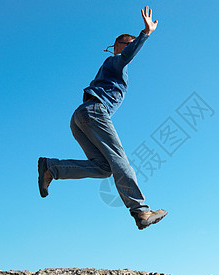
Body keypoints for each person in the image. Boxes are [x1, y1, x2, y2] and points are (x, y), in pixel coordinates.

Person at [38, 6, 167, 230]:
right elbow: (126, 55)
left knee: (103, 167)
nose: (132, 50)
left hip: (82, 117)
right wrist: (146, 33)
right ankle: (141, 211)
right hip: (94, 112)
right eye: (131, 44)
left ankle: (52, 168)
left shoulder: (113, 68)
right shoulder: (115, 61)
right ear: (121, 46)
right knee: (119, 160)